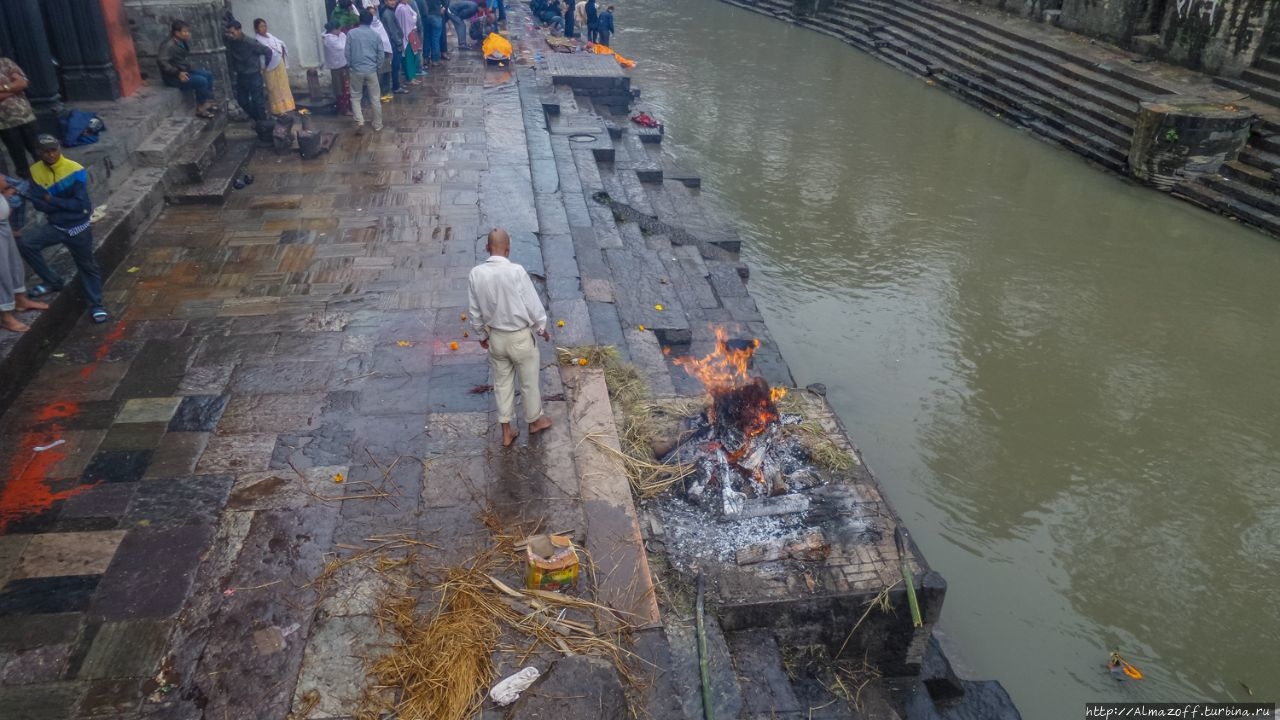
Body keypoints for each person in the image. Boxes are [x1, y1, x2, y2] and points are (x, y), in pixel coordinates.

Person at [468, 228, 553, 447]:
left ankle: (506, 431)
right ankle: (535, 421)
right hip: (521, 338)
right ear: (508, 249)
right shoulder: (516, 271)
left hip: (496, 338)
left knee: (502, 384)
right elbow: (532, 304)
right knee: (528, 382)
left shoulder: (476, 273)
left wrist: (481, 335)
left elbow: (475, 311)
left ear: (487, 248)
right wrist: (542, 328)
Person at [18, 135, 107, 324]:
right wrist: (55, 204)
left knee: (87, 265)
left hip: (78, 227)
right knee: (26, 244)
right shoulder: (35, 171)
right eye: (45, 151)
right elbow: (38, 203)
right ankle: (52, 281)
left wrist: (51, 200)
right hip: (56, 225)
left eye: (53, 150)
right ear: (38, 153)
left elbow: (81, 204)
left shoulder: (75, 170)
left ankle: (96, 304)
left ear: (59, 149)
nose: (50, 155)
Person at [0, 175, 46, 332]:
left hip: (4, 224)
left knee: (13, 263)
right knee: (2, 271)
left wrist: (8, 193)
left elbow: (13, 184)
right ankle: (5, 316)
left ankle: (20, 300)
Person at [157, 21, 218, 119]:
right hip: (173, 76)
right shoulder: (168, 45)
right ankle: (200, 108)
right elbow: (161, 61)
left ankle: (207, 101)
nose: (187, 34)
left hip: (184, 70)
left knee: (208, 74)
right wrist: (177, 73)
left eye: (188, 31)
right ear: (177, 33)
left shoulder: (181, 41)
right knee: (201, 81)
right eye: (185, 32)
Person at [0, 57, 40, 180]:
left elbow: (22, 83)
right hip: (5, 123)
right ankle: (29, 186)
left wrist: (3, 89)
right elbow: (17, 85)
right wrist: (13, 88)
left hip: (26, 116)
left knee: (39, 151)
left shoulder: (5, 63)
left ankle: (48, 181)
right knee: (18, 158)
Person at [224, 20, 272, 122]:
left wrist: (266, 65)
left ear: (239, 30)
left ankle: (263, 124)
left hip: (254, 75)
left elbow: (267, 51)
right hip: (241, 76)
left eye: (233, 32)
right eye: (229, 33)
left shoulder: (250, 42)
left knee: (258, 101)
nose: (231, 35)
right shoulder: (231, 42)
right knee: (242, 100)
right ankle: (258, 118)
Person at [345, 9, 384, 133]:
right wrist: (377, 66)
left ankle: (359, 121)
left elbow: (347, 53)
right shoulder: (376, 35)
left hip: (356, 70)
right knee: (375, 98)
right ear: (371, 20)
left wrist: (351, 65)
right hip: (371, 70)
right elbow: (381, 54)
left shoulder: (351, 34)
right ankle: (377, 124)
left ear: (359, 20)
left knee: (355, 96)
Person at [253, 19, 296, 115]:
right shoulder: (257, 41)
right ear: (256, 29)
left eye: (265, 25)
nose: (264, 28)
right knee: (273, 87)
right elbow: (262, 55)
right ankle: (278, 109)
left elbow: (280, 44)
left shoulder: (270, 36)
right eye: (261, 26)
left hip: (279, 63)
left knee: (283, 85)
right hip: (268, 66)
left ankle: (288, 106)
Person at [322, 22, 353, 116]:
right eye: (339, 29)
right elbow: (341, 48)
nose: (340, 31)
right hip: (337, 68)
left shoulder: (341, 35)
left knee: (347, 88)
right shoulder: (328, 39)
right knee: (340, 89)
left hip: (344, 66)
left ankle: (348, 107)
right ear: (333, 30)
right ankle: (343, 108)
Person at [379, 0, 407, 95]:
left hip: (393, 42)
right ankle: (396, 86)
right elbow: (392, 31)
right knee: (395, 66)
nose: (393, 2)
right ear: (386, 2)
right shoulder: (387, 13)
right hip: (393, 44)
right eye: (390, 0)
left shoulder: (390, 11)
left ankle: (397, 84)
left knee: (396, 65)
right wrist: (399, 43)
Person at [396, 0, 421, 85]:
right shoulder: (401, 8)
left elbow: (414, 15)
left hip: (412, 33)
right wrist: (414, 17)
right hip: (407, 35)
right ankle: (409, 78)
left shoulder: (407, 6)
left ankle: (412, 76)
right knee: (408, 58)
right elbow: (412, 20)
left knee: (414, 56)